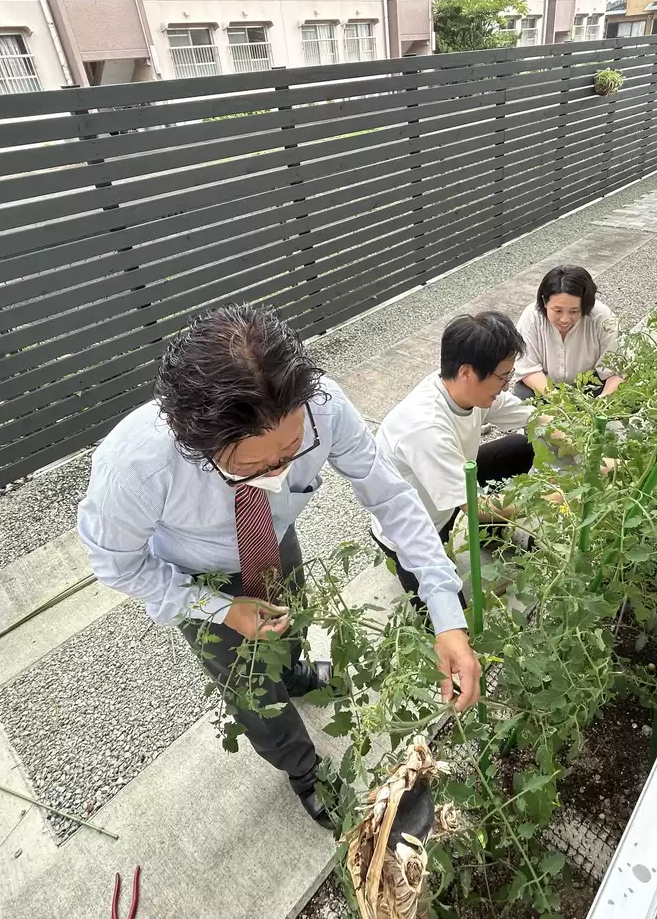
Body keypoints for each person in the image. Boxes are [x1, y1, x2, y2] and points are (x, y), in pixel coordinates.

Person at [77, 304, 481, 830]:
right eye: (254, 466)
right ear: (193, 441)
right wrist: (219, 608)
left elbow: (393, 500)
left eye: (293, 451)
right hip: (197, 574)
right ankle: (304, 770)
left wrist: (445, 614)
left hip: (272, 537)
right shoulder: (135, 465)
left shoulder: (326, 408)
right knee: (248, 686)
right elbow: (116, 565)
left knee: (294, 614)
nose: (281, 472)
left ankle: (293, 670)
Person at [370, 311, 536, 609]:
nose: (507, 385)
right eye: (502, 377)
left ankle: (492, 535)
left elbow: (526, 414)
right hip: (415, 529)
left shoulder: (460, 388)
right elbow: (474, 504)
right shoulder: (425, 427)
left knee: (521, 447)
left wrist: (566, 429)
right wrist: (546, 499)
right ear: (467, 372)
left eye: (509, 375)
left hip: (448, 492)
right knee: (454, 623)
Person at [513, 265, 621, 401]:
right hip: (545, 386)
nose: (565, 320)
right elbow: (527, 368)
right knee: (521, 398)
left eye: (574, 311)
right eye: (557, 311)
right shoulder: (531, 317)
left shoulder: (603, 317)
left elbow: (617, 370)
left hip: (591, 387)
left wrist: (602, 403)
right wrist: (559, 401)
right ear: (545, 302)